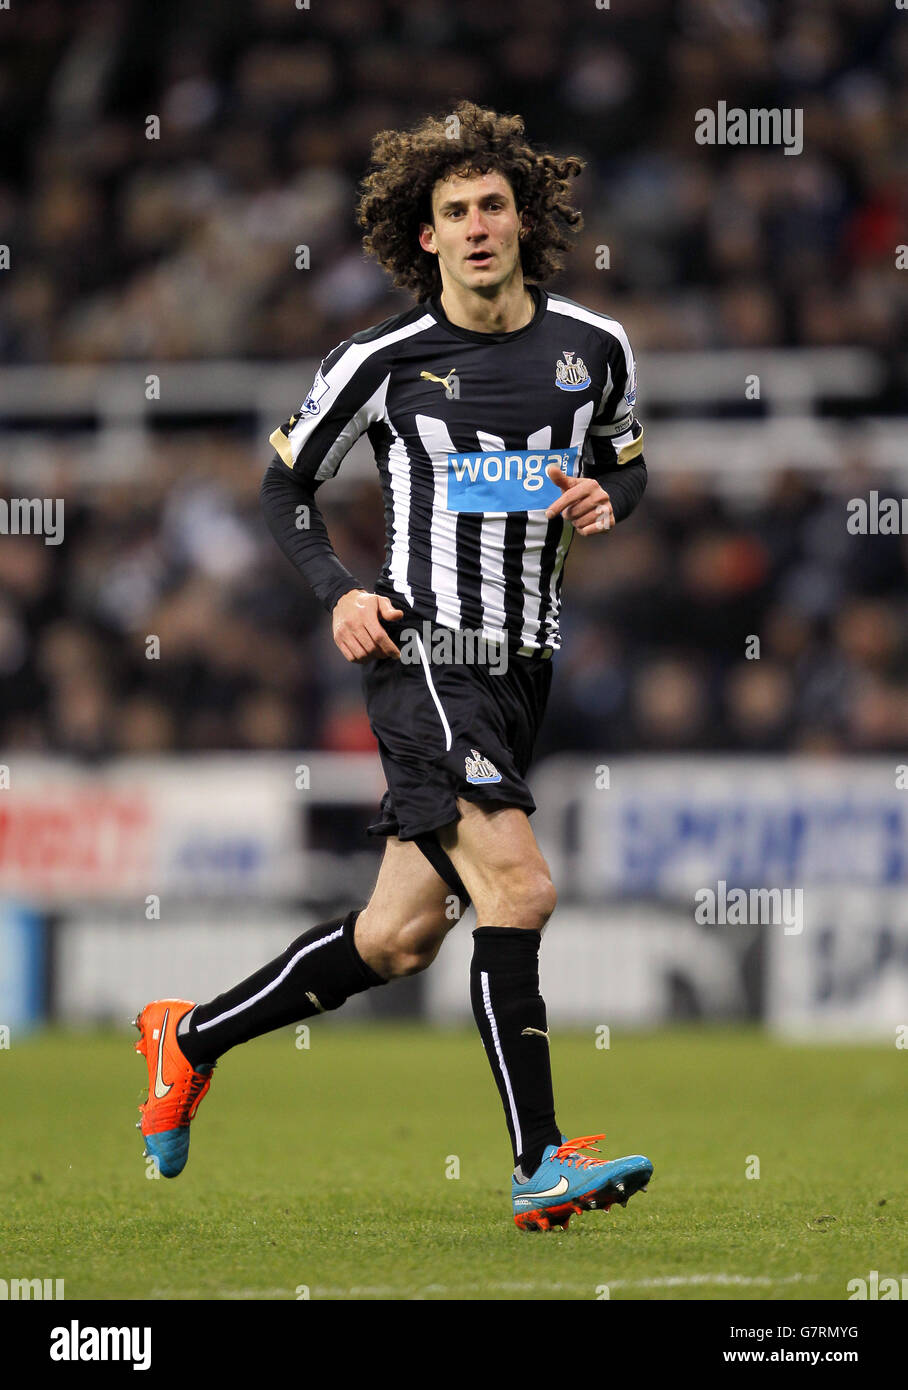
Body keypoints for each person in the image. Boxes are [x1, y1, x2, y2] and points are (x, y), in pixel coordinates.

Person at [134, 101, 652, 1232]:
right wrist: (342, 592)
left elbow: (625, 458)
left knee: (397, 937)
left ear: (524, 219)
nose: (473, 226)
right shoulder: (381, 360)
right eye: (451, 211)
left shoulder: (591, 348)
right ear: (423, 235)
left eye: (490, 206)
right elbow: (282, 486)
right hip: (426, 655)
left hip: (522, 668)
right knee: (518, 887)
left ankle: (189, 1037)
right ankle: (537, 1160)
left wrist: (612, 495)